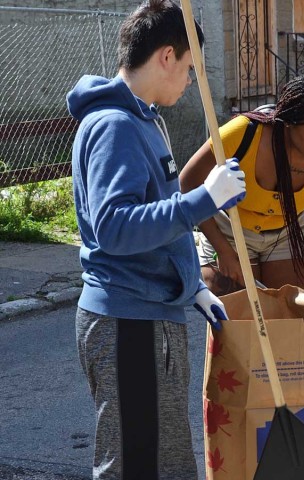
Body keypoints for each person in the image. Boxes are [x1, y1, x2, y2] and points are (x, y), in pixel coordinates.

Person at [66, 1, 246, 478]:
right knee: (134, 465)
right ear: (166, 56)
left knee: (164, 461)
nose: (191, 82)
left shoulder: (143, 120)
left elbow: (158, 221)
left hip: (150, 314)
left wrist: (192, 285)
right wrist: (202, 200)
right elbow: (116, 226)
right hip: (128, 320)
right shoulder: (113, 126)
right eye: (190, 68)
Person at [179, 74, 304, 307]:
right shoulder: (243, 133)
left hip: (289, 232)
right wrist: (224, 251)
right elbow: (187, 183)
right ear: (290, 122)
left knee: (286, 314)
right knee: (236, 319)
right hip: (231, 229)